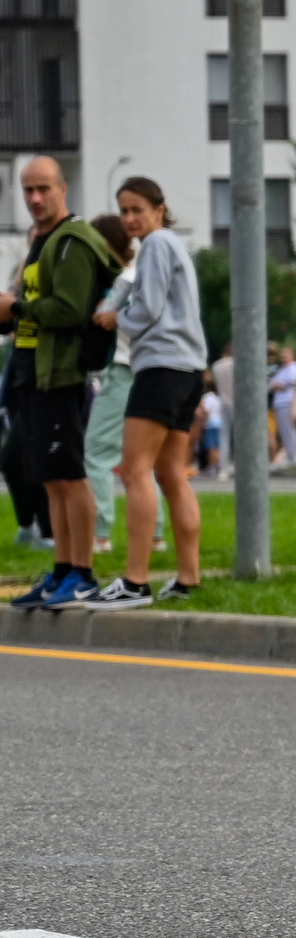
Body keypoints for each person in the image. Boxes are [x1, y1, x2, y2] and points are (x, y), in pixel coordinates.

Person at [0, 156, 121, 609]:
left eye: (43, 188)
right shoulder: (43, 241)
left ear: (63, 188)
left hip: (61, 374)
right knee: (50, 478)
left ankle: (83, 574)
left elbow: (70, 310)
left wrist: (15, 308)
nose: (35, 198)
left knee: (70, 475)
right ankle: (61, 571)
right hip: (32, 371)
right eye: (28, 190)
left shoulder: (73, 240)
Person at [87, 178, 207, 607]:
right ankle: (189, 577)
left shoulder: (155, 245)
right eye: (124, 210)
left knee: (134, 470)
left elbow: (149, 308)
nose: (130, 218)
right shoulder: (176, 247)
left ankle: (135, 582)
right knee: (172, 475)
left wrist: (114, 318)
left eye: (137, 209)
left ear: (159, 209)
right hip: (189, 369)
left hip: (160, 367)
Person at [1, 169, 55, 552]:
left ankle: (50, 533)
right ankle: (30, 527)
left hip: (45, 372)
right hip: (19, 372)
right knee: (14, 460)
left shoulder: (53, 271)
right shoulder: (23, 275)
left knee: (30, 458)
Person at [81, 212, 135, 555]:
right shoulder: (140, 272)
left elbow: (103, 315)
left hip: (121, 370)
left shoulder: (122, 279)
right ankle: (156, 535)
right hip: (144, 370)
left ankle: (100, 534)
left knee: (96, 453)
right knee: (138, 460)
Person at [269, 343, 296, 467]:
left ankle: (295, 456)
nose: (283, 357)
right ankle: (290, 455)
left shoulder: (294, 368)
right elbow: (272, 384)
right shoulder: (282, 369)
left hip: (288, 402)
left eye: (286, 355)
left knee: (290, 430)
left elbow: (290, 383)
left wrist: (280, 385)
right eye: (282, 355)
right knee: (283, 431)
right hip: (279, 403)